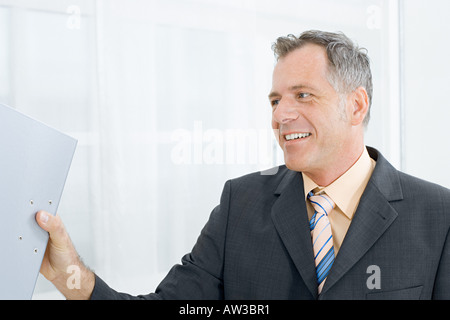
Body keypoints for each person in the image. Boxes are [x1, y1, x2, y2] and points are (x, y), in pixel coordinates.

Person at [35, 30, 450, 300]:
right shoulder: (242, 203)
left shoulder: (438, 215)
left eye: (303, 95)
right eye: (275, 100)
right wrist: (70, 275)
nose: (281, 115)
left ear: (356, 105)